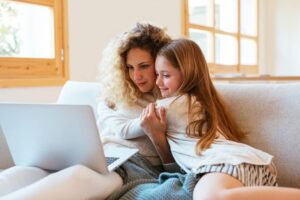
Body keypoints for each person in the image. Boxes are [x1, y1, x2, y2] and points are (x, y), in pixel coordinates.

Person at [0, 23, 182, 200]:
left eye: (144, 66)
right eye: (130, 67)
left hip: (132, 167)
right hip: (99, 157)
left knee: (78, 176)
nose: (136, 76)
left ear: (160, 62)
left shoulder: (173, 103)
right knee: (24, 173)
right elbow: (113, 130)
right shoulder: (112, 98)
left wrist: (157, 137)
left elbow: (176, 168)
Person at [140, 38, 300, 200]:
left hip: (228, 164)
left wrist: (114, 113)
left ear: (187, 75)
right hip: (244, 169)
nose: (158, 82)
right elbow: (176, 166)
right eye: (157, 75)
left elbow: (124, 129)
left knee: (209, 197)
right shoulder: (199, 104)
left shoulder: (174, 105)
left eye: (165, 75)